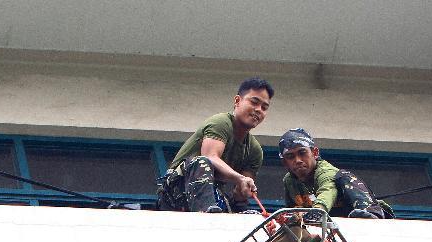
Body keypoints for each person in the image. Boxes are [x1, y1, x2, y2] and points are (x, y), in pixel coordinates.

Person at [157, 78, 273, 213]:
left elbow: (241, 188)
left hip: (211, 197)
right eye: (254, 102)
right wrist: (240, 178)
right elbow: (210, 156)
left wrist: (244, 189)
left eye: (264, 107)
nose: (259, 110)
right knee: (202, 161)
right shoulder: (221, 122)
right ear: (237, 101)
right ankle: (209, 213)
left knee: (248, 213)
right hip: (175, 191)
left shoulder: (254, 150)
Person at [279, 128, 394, 219]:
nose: (298, 160)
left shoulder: (325, 171)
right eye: (290, 156)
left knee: (345, 176)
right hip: (331, 221)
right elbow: (292, 209)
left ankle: (369, 212)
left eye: (302, 152)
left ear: (315, 152)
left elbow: (327, 190)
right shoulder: (289, 181)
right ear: (285, 162)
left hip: (357, 213)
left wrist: (318, 210)